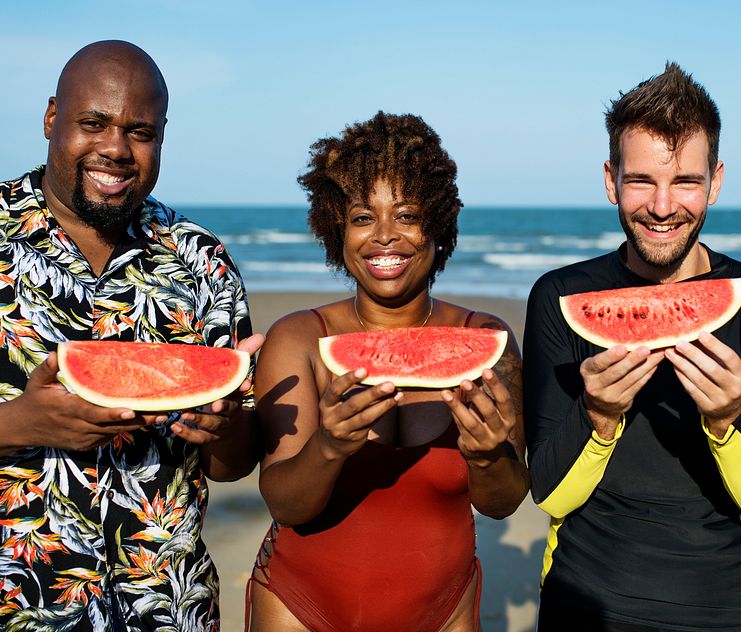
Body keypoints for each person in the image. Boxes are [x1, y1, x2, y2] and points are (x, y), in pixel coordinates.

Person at [523, 63, 741, 631]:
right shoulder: (559, 296)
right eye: (640, 181)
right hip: (581, 608)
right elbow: (550, 495)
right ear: (610, 180)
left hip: (722, 613)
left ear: (716, 181)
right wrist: (599, 416)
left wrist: (729, 420)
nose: (661, 206)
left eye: (685, 182)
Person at [0, 41, 263, 630]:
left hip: (169, 609)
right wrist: (20, 424)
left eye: (140, 131)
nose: (116, 148)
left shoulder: (203, 261)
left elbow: (231, 465)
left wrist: (222, 426)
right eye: (93, 123)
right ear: (51, 118)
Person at [247, 111, 530, 631]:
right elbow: (285, 505)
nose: (383, 237)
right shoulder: (299, 339)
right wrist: (329, 446)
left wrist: (488, 456)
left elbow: (504, 502)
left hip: (444, 613)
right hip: (299, 608)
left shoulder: (487, 339)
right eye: (361, 218)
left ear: (438, 226)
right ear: (337, 231)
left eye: (406, 215)